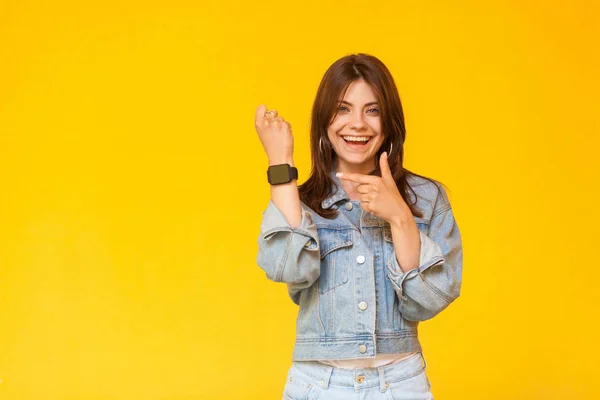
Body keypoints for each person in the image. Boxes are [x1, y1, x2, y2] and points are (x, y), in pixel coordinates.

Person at [255, 53, 463, 400]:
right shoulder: (301, 201)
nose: (358, 124)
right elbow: (288, 268)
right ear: (325, 121)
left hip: (400, 384)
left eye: (373, 109)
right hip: (318, 385)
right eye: (342, 109)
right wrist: (280, 164)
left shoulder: (427, 198)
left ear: (389, 120)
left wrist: (399, 217)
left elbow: (427, 302)